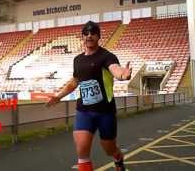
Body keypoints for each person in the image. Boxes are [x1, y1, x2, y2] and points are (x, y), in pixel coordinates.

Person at [47, 21, 132, 171]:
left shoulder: (107, 56)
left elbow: (115, 69)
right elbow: (75, 82)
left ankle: (118, 158)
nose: (89, 36)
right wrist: (59, 96)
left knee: (109, 148)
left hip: (105, 111)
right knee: (82, 150)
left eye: (93, 33)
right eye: (86, 33)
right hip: (84, 111)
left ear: (98, 36)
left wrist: (122, 75)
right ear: (82, 37)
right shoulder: (78, 60)